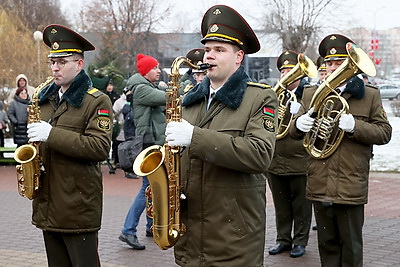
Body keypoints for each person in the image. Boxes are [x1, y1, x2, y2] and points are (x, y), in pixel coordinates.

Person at [165, 5, 278, 266]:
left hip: (233, 238)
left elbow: (259, 155)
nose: (209, 56)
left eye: (219, 50)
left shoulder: (260, 97)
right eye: (207, 49)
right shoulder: (188, 102)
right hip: (190, 236)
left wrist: (194, 138)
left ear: (239, 57)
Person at [290, 33, 392, 267]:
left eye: (339, 63)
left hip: (350, 182)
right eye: (329, 63)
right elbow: (295, 133)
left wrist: (356, 126)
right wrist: (298, 124)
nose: (333, 68)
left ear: (349, 65)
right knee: (326, 244)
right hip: (319, 180)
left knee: (351, 245)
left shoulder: (370, 95)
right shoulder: (310, 94)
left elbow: (384, 133)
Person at [26, 24, 113, 266]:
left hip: (77, 208)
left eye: (62, 61)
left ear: (79, 63)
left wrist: (51, 134)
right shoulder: (44, 99)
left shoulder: (97, 100)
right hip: (47, 204)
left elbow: (99, 148)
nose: (55, 67)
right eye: (52, 62)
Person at [267, 50, 312, 258]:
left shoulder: (309, 95)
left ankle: (300, 241)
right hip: (276, 160)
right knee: (281, 204)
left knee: (301, 206)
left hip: (300, 159)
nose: (286, 74)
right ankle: (283, 239)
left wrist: (298, 116)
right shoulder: (274, 94)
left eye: (290, 70)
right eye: (283, 71)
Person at [118, 53, 165, 250]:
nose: (159, 71)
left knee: (151, 188)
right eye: (155, 68)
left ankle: (150, 226)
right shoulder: (142, 90)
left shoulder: (145, 87)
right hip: (148, 145)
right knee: (147, 187)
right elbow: (168, 98)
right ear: (145, 72)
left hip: (153, 143)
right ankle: (128, 231)